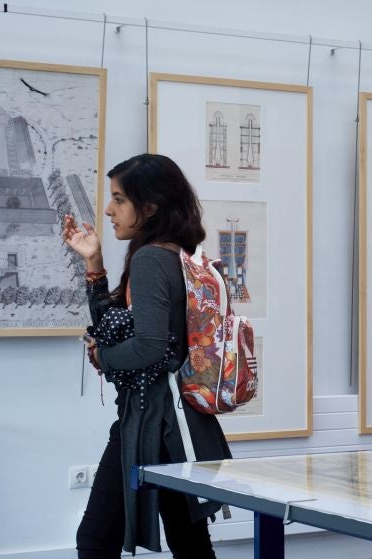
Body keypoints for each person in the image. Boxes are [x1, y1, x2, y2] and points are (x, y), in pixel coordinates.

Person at [63, 153, 231, 558]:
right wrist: (94, 265)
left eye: (119, 199)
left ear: (150, 206)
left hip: (150, 423)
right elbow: (121, 328)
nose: (109, 209)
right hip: (176, 422)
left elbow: (150, 347)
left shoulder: (152, 259)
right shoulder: (180, 254)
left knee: (95, 541)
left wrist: (104, 357)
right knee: (189, 542)